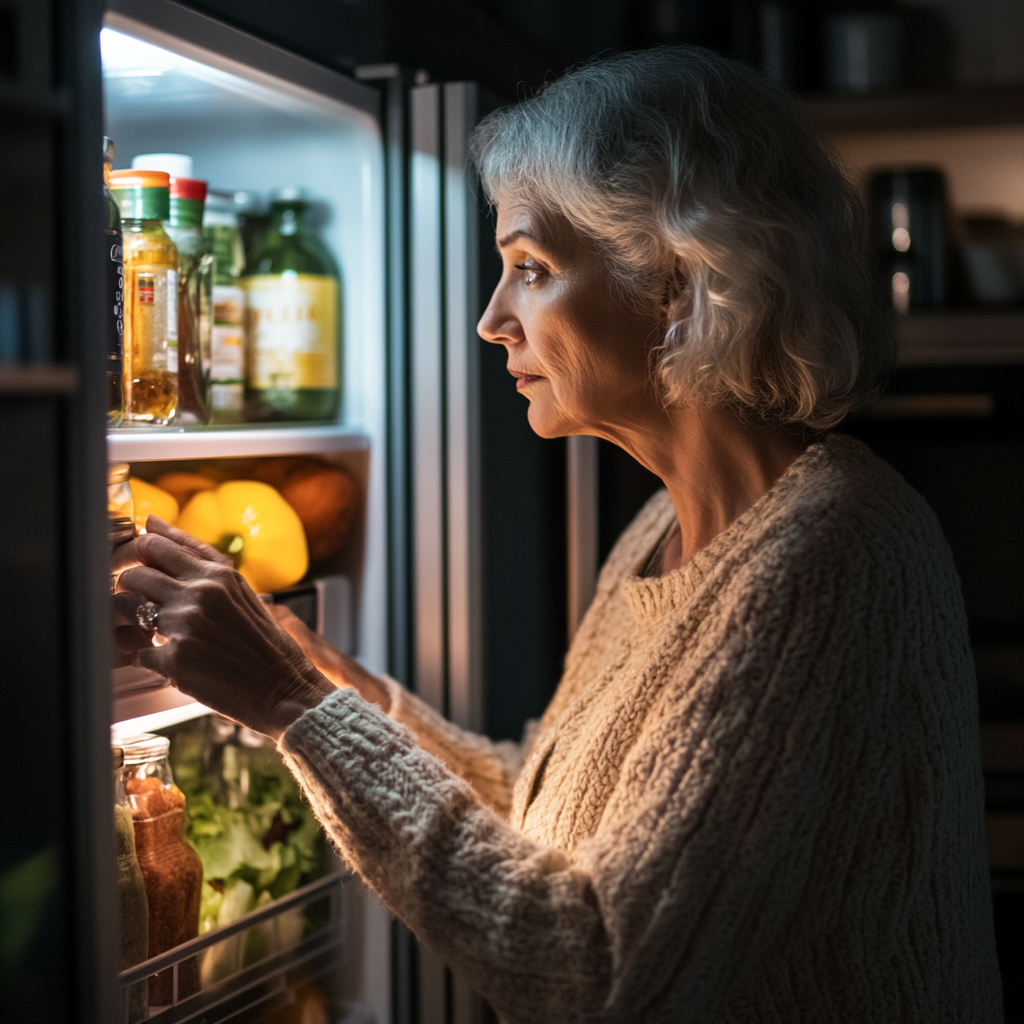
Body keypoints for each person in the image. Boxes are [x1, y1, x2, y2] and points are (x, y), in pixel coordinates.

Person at [113, 47, 1004, 1023]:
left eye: (530, 269)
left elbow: (599, 969)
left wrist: (289, 703)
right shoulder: (668, 526)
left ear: (677, 282)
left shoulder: (831, 552)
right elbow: (544, 814)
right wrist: (309, 668)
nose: (493, 319)